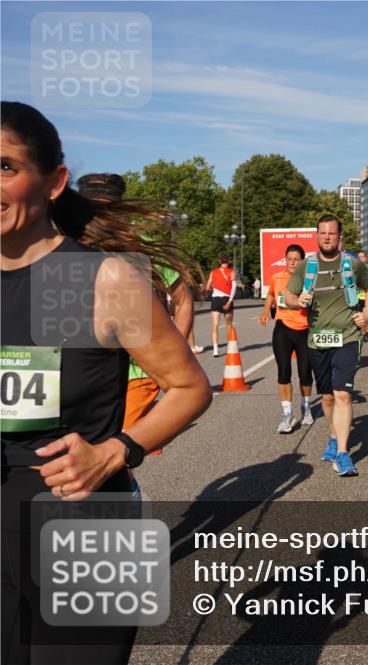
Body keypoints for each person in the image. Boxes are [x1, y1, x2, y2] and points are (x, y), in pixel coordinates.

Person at [1, 101, 211, 664]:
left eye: (5, 167)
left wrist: (116, 451)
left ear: (54, 183)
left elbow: (190, 388)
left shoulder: (98, 279)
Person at [75, 173, 196, 433]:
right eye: (90, 209)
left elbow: (183, 300)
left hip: (136, 372)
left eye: (107, 209)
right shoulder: (65, 248)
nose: (99, 217)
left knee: (119, 446)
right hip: (82, 371)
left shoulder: (140, 246)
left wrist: (173, 353)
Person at [283, 216, 368, 476]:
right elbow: (288, 295)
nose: (327, 237)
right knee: (326, 396)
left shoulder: (352, 264)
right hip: (318, 338)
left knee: (342, 394)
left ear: (339, 236)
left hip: (348, 336)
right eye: (322, 233)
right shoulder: (307, 266)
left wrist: (366, 313)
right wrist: (297, 301)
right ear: (316, 236)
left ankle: (343, 454)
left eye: (331, 233)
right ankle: (334, 436)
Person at [259, 244, 314, 433]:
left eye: (296, 259)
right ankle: (287, 413)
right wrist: (266, 312)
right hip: (283, 329)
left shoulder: (309, 280)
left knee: (305, 373)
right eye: (289, 259)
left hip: (305, 330)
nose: (292, 263)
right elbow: (270, 295)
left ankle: (305, 406)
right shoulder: (277, 277)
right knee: (283, 371)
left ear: (302, 262)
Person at [204, 252, 237, 357]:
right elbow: (234, 287)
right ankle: (229, 347)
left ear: (219, 261)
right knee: (229, 324)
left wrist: (214, 288)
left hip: (216, 299)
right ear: (229, 261)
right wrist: (229, 301)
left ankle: (215, 350)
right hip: (227, 298)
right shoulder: (231, 272)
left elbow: (207, 287)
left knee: (215, 325)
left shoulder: (213, 272)